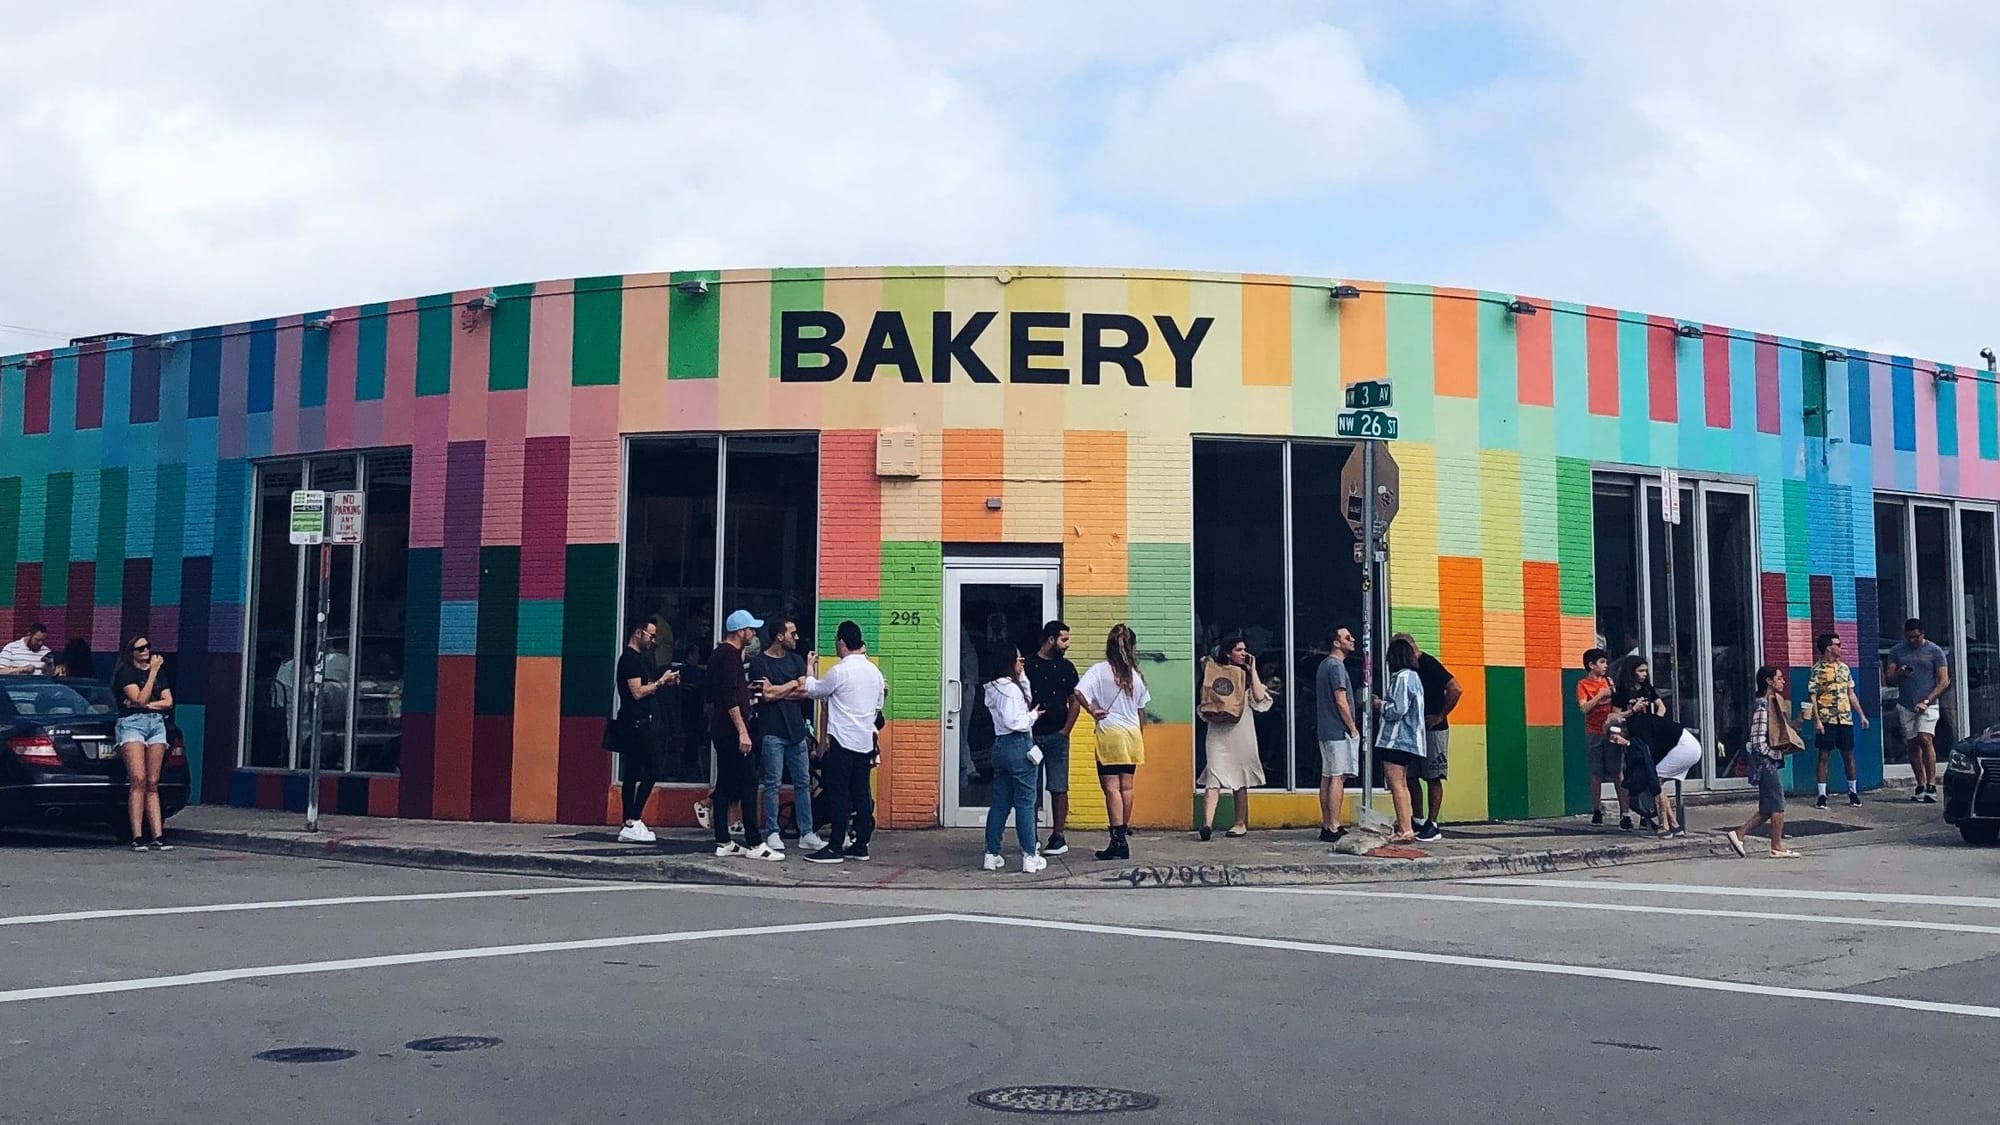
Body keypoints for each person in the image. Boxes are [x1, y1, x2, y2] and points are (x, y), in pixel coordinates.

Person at [799, 621, 887, 864]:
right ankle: (861, 844)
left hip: (842, 741)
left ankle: (835, 846)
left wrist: (809, 668)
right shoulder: (875, 673)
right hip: (865, 741)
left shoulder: (839, 671)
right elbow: (878, 706)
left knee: (839, 794)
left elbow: (814, 690)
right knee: (861, 793)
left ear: (842, 642)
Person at [748, 614, 825, 856]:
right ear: (780, 636)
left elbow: (804, 691)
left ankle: (806, 832)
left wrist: (779, 689)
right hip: (772, 731)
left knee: (803, 782)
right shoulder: (759, 663)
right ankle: (772, 831)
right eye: (792, 633)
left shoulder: (795, 660)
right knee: (772, 783)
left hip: (796, 731)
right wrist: (790, 685)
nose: (797, 637)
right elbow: (765, 695)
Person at [708, 610, 779, 860]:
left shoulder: (722, 654)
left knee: (725, 784)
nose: (754, 634)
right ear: (740, 631)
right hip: (731, 730)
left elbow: (724, 692)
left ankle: (723, 840)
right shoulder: (729, 656)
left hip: (721, 728)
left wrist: (745, 691)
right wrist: (742, 731)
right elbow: (729, 697)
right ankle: (754, 843)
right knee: (748, 782)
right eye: (751, 629)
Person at [1076, 623, 1149, 861]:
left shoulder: (1099, 670)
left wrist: (1092, 710)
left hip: (1110, 733)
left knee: (1111, 788)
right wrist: (1139, 734)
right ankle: (1122, 836)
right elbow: (1141, 711)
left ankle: (1117, 840)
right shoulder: (1136, 676)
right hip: (1132, 735)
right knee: (1127, 787)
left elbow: (1078, 692)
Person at [1610, 655, 1701, 836]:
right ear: (1631, 672)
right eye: (1640, 671)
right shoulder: (1622, 693)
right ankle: (1673, 823)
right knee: (1655, 780)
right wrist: (1633, 711)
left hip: (1667, 740)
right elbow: (1615, 716)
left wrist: (1653, 722)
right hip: (1655, 737)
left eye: (1645, 671)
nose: (1644, 674)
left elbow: (1660, 707)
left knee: (1655, 780)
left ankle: (1665, 825)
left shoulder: (1647, 694)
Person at [1196, 634, 1273, 840]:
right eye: (1239, 650)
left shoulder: (1245, 676)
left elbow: (1259, 697)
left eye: (1245, 649)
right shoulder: (1215, 672)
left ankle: (1239, 822)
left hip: (1241, 731)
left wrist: (1252, 670)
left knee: (1240, 777)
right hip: (1218, 731)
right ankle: (1207, 825)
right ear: (1228, 653)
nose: (1244, 653)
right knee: (1213, 774)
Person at [608, 619, 679, 843]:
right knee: (652, 768)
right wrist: (660, 682)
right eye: (651, 635)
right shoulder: (629, 659)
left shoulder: (639, 659)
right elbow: (637, 692)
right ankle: (633, 818)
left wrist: (664, 683)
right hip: (636, 724)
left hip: (636, 722)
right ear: (638, 633)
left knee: (633, 771)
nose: (653, 640)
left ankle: (630, 821)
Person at [979, 643, 1045, 873]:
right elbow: (1014, 721)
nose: (1022, 664)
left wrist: (1022, 675)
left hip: (1000, 745)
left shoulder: (993, 687)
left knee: (1000, 802)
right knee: (1025, 803)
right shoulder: (1010, 690)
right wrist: (1033, 716)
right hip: (1018, 743)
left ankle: (991, 853)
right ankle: (1030, 855)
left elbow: (1025, 693)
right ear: (1009, 662)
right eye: (1019, 660)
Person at [1729, 664, 1801, 859]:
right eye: (1779, 678)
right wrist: (1773, 754)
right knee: (1777, 805)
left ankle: (1739, 834)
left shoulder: (1772, 703)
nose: (1783, 681)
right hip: (1765, 762)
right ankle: (1776, 846)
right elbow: (1757, 740)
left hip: (1769, 760)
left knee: (1767, 807)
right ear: (1769, 681)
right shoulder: (1762, 706)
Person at [1022, 620, 1080, 857]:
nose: (1067, 644)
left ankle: (1058, 836)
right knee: (1030, 789)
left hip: (1057, 735)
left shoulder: (1067, 668)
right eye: (1063, 640)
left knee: (1059, 787)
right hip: (1032, 736)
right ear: (1050, 640)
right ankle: (1031, 836)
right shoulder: (1028, 665)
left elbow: (1075, 700)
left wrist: (1066, 730)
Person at [112, 635, 174, 851]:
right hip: (132, 724)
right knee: (138, 779)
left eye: (148, 647)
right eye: (140, 649)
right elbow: (139, 698)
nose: (146, 651)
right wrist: (153, 673)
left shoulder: (159, 672)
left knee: (153, 781)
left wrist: (147, 706)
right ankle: (137, 835)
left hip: (156, 723)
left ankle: (158, 834)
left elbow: (168, 701)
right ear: (131, 653)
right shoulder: (126, 673)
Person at [1401, 634, 1461, 843]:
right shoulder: (1407, 670)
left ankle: (1432, 823)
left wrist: (1440, 715)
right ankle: (1417, 819)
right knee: (1411, 775)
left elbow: (1456, 688)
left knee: (1433, 776)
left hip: (1433, 729)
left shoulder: (1429, 664)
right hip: (1413, 729)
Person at [1885, 617, 1949, 804]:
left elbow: (1944, 681)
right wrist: (1900, 673)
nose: (1913, 641)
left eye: (1916, 637)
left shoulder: (1934, 651)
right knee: (1912, 743)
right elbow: (1889, 679)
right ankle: (1920, 784)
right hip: (1906, 703)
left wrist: (1928, 701)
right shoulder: (1897, 651)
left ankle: (1931, 783)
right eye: (1909, 637)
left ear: (1923, 634)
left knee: (1925, 738)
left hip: (1928, 703)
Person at [1373, 636, 1426, 844]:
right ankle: (1407, 826)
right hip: (1409, 739)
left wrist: (1380, 705)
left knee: (1396, 784)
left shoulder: (1402, 678)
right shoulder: (1414, 677)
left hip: (1396, 739)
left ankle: (1405, 829)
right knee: (1402, 784)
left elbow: (1398, 709)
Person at [1807, 633, 1869, 808]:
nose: (1841, 648)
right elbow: (1812, 696)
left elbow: (1851, 694)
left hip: (1844, 718)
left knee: (1848, 754)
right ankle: (1822, 794)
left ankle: (1853, 791)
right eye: (1838, 644)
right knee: (1824, 755)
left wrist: (1861, 715)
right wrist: (1817, 720)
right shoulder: (1817, 670)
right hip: (1827, 717)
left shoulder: (1844, 669)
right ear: (1829, 647)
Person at [1576, 648, 1630, 829]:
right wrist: (1600, 695)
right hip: (1593, 731)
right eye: (1601, 662)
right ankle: (1597, 810)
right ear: (1591, 665)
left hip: (1612, 730)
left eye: (1606, 662)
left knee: (1617, 772)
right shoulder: (1583, 685)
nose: (1605, 666)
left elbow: (1617, 704)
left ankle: (1625, 813)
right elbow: (1584, 708)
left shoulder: (1610, 681)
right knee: (1596, 773)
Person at [1315, 626, 1359, 843]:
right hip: (1337, 730)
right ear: (1336, 643)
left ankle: (1328, 824)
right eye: (1347, 637)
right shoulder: (1336, 666)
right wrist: (1352, 727)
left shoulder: (1324, 665)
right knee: (1338, 776)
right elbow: (1341, 700)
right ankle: (1333, 825)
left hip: (1325, 730)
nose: (1353, 640)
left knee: (1327, 776)